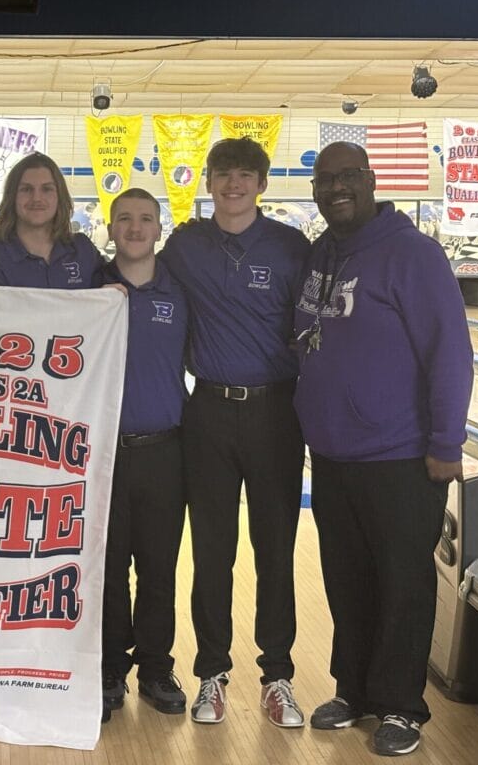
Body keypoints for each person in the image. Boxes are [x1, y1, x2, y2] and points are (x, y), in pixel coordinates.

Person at [294, 141, 473, 757]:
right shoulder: (322, 253)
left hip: (400, 455)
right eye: (325, 180)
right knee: (347, 580)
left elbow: (449, 350)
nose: (336, 188)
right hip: (336, 457)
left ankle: (400, 705)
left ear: (371, 181)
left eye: (348, 178)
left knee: (401, 583)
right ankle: (356, 690)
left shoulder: (412, 255)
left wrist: (447, 443)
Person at [157, 137, 309, 727]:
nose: (233, 184)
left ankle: (277, 677)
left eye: (246, 175)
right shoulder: (186, 245)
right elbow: (142, 285)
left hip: (277, 413)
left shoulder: (291, 247)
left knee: (274, 552)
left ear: (262, 185)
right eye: (223, 174)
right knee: (212, 552)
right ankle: (212, 675)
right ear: (209, 181)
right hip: (209, 413)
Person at [98, 189, 188, 723]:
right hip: (102, 457)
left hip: (164, 452)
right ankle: (109, 667)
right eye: (125, 219)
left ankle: (155, 667)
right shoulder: (90, 290)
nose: (135, 228)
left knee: (159, 567)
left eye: (145, 219)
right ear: (110, 229)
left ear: (160, 229)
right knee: (108, 568)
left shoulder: (178, 294)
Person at [0, 152, 102, 289]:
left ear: (60, 196)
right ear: (12, 198)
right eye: (26, 189)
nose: (36, 198)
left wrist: (114, 292)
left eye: (47, 189)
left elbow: (111, 290)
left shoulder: (82, 249)